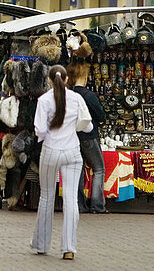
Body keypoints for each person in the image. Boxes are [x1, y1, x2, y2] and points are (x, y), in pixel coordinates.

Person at [32, 65, 91, 260]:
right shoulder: (76, 98)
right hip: (72, 151)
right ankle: (69, 247)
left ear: (49, 80)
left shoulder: (44, 100)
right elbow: (88, 126)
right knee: (71, 199)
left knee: (47, 197)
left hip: (50, 150)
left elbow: (39, 129)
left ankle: (41, 244)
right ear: (66, 80)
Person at [68, 59, 106, 214]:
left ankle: (79, 204)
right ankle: (97, 205)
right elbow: (101, 115)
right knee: (99, 168)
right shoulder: (88, 95)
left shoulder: (69, 94)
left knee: (79, 169)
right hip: (89, 135)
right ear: (85, 76)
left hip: (74, 136)